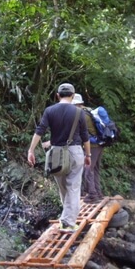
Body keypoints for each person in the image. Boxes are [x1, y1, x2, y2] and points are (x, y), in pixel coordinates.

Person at [27, 83, 91, 233]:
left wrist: (31, 150)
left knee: (63, 188)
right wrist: (88, 154)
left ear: (57, 95)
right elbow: (85, 137)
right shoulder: (78, 112)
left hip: (56, 153)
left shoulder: (50, 110)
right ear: (73, 96)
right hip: (75, 152)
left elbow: (39, 131)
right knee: (73, 188)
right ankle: (68, 223)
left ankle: (66, 218)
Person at [73, 93, 109, 203]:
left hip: (92, 145)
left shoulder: (80, 115)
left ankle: (92, 194)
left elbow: (80, 132)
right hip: (100, 143)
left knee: (88, 169)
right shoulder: (89, 110)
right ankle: (98, 192)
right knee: (95, 168)